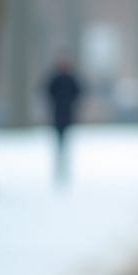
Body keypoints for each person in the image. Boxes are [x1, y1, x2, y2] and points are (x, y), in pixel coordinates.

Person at [44, 54, 82, 186]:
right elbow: (47, 93)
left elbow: (78, 93)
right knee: (59, 144)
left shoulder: (70, 79)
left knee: (65, 144)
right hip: (58, 116)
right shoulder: (55, 79)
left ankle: (64, 169)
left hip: (67, 116)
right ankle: (59, 169)